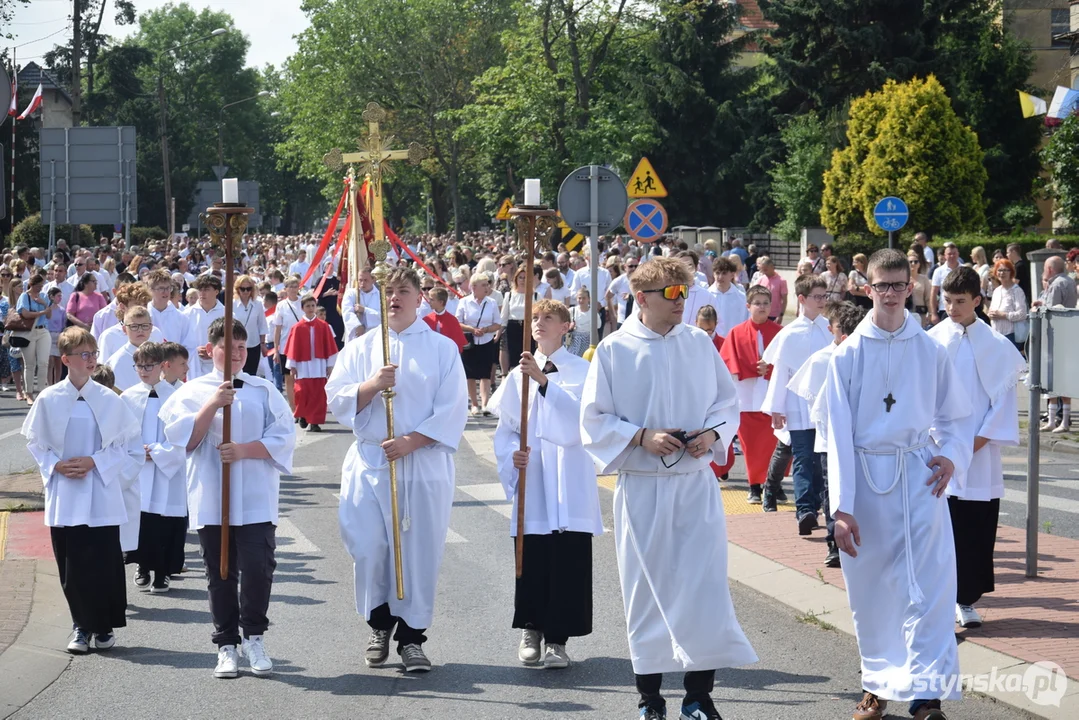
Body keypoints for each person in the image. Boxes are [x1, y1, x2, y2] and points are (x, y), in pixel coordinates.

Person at [580, 257, 756, 720]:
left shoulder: (699, 344)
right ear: (642, 298)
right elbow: (593, 418)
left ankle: (699, 697)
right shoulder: (615, 349)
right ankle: (650, 700)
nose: (682, 301)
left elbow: (726, 401)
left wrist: (712, 435)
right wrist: (641, 436)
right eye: (672, 294)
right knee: (645, 592)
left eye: (685, 292)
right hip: (643, 488)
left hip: (695, 486)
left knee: (704, 590)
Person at [820, 249, 972, 720]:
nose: (889, 294)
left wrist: (950, 453)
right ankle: (876, 685)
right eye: (881, 285)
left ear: (912, 287)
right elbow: (835, 436)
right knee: (873, 593)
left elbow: (957, 416)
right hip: (866, 483)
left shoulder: (931, 349)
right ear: (867, 290)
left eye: (898, 285)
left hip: (918, 478)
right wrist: (840, 509)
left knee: (930, 590)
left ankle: (926, 694)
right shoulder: (846, 355)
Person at [327, 267, 468, 673]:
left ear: (419, 297)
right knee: (369, 546)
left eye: (402, 291)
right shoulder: (361, 347)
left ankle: (411, 639)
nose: (393, 298)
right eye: (388, 291)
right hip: (371, 460)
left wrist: (413, 441)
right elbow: (336, 400)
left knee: (417, 552)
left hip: (421, 462)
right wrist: (371, 386)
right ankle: (379, 622)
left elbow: (453, 406)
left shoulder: (441, 348)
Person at [160, 318, 296, 679]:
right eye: (228, 346)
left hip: (255, 496)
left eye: (242, 347)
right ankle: (226, 644)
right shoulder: (190, 392)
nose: (236, 354)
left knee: (257, 569)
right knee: (219, 572)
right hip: (211, 495)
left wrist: (244, 450)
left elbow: (283, 438)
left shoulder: (263, 389)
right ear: (210, 349)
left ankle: (254, 636)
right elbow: (183, 442)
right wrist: (212, 404)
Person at [489, 299, 602, 669]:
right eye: (535, 318)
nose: (538, 324)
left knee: (566, 559)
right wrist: (511, 456)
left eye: (548, 318)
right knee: (533, 555)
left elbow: (583, 422)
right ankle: (531, 628)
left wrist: (543, 382)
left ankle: (558, 639)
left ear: (566, 327)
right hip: (535, 480)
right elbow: (506, 428)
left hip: (568, 479)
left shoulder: (582, 371)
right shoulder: (517, 374)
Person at [22, 327, 143, 654]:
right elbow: (36, 443)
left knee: (103, 561)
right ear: (66, 359)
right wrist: (55, 465)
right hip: (66, 491)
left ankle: (104, 626)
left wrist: (94, 461)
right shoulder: (49, 398)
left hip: (100, 489)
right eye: (84, 355)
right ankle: (80, 626)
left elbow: (124, 446)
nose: (91, 360)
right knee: (72, 563)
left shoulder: (107, 399)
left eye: (93, 354)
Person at [929, 267, 1025, 630]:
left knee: (976, 530)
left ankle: (966, 599)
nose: (952, 308)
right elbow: (924, 397)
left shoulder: (997, 346)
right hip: (939, 450)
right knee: (942, 528)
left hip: (980, 455)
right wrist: (942, 444)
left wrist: (972, 446)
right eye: (948, 301)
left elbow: (1002, 404)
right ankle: (941, 598)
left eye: (960, 302)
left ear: (977, 301)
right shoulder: (932, 340)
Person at [788, 301, 866, 568]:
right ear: (835, 331)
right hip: (828, 440)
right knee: (832, 491)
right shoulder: (821, 359)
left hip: (860, 440)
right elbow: (813, 402)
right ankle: (834, 543)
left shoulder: (865, 356)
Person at [761, 274, 832, 520]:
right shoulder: (790, 333)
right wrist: (776, 408)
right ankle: (804, 510)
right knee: (802, 457)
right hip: (797, 406)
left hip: (824, 406)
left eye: (825, 295)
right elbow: (780, 373)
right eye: (817, 296)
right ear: (802, 299)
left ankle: (816, 503)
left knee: (820, 460)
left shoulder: (829, 328)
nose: (822, 300)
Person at [119, 342, 187, 594]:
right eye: (139, 366)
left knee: (165, 520)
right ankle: (142, 567)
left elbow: (182, 436)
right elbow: (120, 433)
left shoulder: (176, 396)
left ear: (162, 365)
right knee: (141, 519)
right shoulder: (128, 397)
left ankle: (163, 572)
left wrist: (157, 451)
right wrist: (137, 452)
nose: (144, 370)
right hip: (139, 469)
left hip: (167, 469)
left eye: (149, 365)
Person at [720, 285, 782, 503]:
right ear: (748, 306)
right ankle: (754, 485)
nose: (762, 307)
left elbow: (788, 363)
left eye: (766, 303)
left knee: (774, 443)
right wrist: (752, 369)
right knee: (750, 444)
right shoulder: (736, 333)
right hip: (746, 397)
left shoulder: (780, 332)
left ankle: (773, 483)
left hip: (772, 396)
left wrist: (770, 368)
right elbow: (728, 363)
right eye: (757, 303)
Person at [284, 293, 338, 432]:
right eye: (307, 306)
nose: (310, 308)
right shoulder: (297, 327)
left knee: (318, 393)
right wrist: (292, 365)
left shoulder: (323, 325)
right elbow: (292, 347)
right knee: (302, 391)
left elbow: (330, 347)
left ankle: (315, 421)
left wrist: (330, 365)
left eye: (313, 306)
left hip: (319, 364)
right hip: (302, 364)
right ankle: (302, 414)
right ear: (302, 308)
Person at [456, 271, 501, 415]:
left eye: (487, 285)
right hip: (469, 341)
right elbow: (458, 322)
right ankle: (474, 404)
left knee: (485, 374)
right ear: (474, 287)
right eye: (483, 285)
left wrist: (487, 329)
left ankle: (485, 404)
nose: (487, 288)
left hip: (486, 341)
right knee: (470, 374)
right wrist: (471, 329)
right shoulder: (464, 301)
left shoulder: (492, 302)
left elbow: (498, 324)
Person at [15, 273, 56, 404]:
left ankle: (41, 392)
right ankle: (29, 393)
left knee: (43, 363)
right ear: (32, 285)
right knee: (30, 364)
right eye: (38, 285)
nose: (40, 288)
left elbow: (49, 315)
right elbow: (25, 314)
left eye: (42, 285)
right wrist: (41, 312)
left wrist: (44, 304)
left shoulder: (43, 296)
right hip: (29, 332)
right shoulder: (24, 296)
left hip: (43, 330)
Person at [272, 277, 304, 409]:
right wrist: (276, 350)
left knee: (302, 378)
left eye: (295, 286)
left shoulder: (304, 302)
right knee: (289, 379)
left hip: (303, 346)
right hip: (286, 346)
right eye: (290, 286)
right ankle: (293, 407)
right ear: (285, 289)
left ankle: (302, 405)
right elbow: (277, 329)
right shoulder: (281, 305)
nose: (292, 289)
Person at [108, 305, 155, 392]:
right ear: (125, 329)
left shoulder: (159, 354)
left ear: (151, 328)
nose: (140, 330)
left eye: (144, 326)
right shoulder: (117, 362)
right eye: (134, 326)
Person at [187, 275, 226, 380]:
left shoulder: (227, 314)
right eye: (200, 289)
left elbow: (232, 341)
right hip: (194, 366)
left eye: (207, 290)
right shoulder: (187, 314)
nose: (202, 293)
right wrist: (195, 350)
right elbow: (181, 341)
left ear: (216, 292)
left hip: (219, 366)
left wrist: (214, 351)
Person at [987, 259, 1027, 352]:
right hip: (996, 334)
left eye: (1006, 270)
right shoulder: (997, 290)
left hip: (1011, 335)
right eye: (1000, 270)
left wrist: (1003, 315)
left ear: (1011, 272)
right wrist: (991, 314)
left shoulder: (1016, 290)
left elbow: (1022, 314)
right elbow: (991, 310)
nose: (1002, 273)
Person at [233, 274, 269, 376]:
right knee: (237, 374)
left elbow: (262, 324)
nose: (245, 292)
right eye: (242, 289)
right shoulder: (232, 304)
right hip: (236, 345)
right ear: (237, 289)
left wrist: (263, 344)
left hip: (254, 344)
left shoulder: (258, 304)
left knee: (251, 374)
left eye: (248, 289)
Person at [707, 256, 748, 338]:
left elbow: (745, 321)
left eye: (724, 273)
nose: (720, 277)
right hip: (712, 341)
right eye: (717, 273)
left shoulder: (741, 297)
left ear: (732, 275)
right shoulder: (707, 295)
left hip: (734, 340)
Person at [422, 286, 467, 352]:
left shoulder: (452, 320)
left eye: (432, 299)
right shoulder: (426, 319)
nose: (429, 301)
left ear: (441, 302)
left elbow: (457, 343)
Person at [750, 256, 787, 323]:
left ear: (772, 267)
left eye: (766, 269)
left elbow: (784, 300)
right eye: (762, 270)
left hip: (774, 315)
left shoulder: (781, 281)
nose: (764, 272)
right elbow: (753, 295)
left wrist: (781, 315)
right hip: (761, 313)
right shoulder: (760, 279)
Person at [568, 287, 593, 356]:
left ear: (588, 299)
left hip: (588, 341)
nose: (581, 300)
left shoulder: (593, 313)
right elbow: (564, 324)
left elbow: (598, 326)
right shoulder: (572, 310)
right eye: (579, 298)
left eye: (584, 298)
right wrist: (570, 326)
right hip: (573, 341)